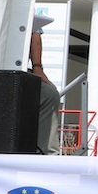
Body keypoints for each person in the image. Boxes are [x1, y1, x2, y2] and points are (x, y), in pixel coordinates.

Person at [31, 14, 60, 154]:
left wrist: (37, 67)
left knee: (49, 94)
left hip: (20, 69)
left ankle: (46, 152)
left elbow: (35, 34)